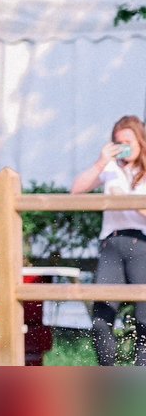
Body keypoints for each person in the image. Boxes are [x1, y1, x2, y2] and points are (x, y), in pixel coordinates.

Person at [70, 114, 146, 365]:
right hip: (111, 245)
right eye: (118, 142)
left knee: (144, 316)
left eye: (128, 141)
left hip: (141, 244)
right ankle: (107, 371)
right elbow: (77, 189)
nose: (124, 147)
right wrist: (102, 161)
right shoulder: (111, 169)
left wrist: (126, 199)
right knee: (102, 317)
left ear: (140, 141)